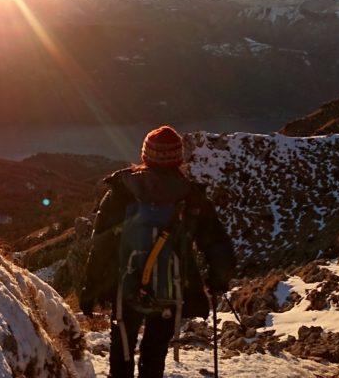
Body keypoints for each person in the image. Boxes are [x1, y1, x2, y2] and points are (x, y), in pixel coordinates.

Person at [78, 126, 236, 378]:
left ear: (145, 155)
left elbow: (101, 246)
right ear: (178, 158)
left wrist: (91, 288)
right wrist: (218, 279)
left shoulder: (122, 192)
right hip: (171, 289)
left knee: (122, 350)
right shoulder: (191, 197)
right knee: (154, 353)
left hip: (124, 287)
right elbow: (216, 242)